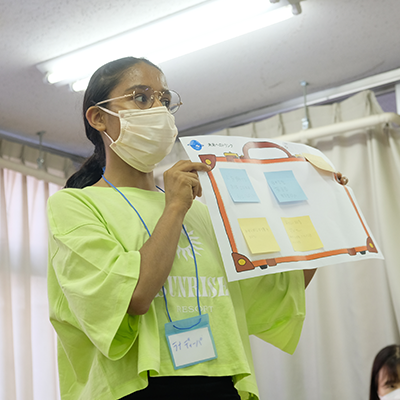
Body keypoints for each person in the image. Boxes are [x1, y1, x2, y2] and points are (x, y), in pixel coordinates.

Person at [47, 56, 345, 400]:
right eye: (141, 98)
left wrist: (321, 210)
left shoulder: (201, 212)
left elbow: (272, 293)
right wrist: (174, 206)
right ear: (98, 117)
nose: (158, 110)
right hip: (138, 388)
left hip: (221, 383)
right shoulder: (74, 205)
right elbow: (133, 295)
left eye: (164, 100)